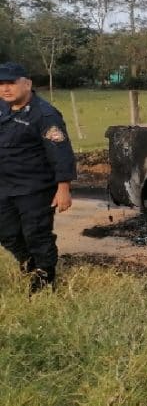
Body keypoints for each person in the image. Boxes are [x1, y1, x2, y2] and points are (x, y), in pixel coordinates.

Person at [0, 62, 76, 294]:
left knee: (36, 234)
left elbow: (60, 153)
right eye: (1, 84)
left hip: (35, 188)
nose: (5, 89)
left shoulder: (45, 115)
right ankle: (30, 265)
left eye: (11, 83)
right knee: (7, 233)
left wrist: (63, 188)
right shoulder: (2, 108)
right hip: (4, 186)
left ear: (28, 84)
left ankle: (45, 279)